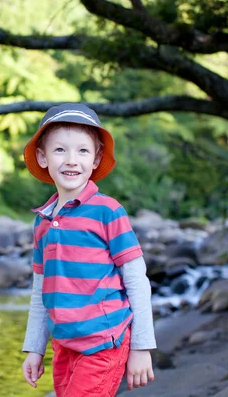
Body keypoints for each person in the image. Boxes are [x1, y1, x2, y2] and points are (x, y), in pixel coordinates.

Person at [20, 103, 156, 396]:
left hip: (104, 342)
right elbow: (41, 292)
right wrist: (34, 348)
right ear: (42, 157)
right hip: (64, 345)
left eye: (82, 151)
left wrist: (142, 347)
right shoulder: (43, 221)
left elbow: (136, 281)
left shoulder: (108, 212)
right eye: (60, 151)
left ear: (96, 159)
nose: (71, 160)